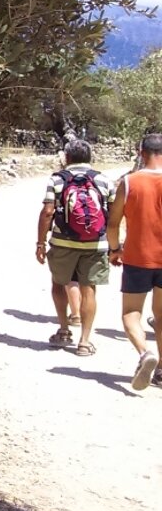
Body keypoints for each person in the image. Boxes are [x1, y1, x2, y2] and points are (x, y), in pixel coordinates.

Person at [35, 140, 112, 355]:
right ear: (90, 157)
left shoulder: (57, 179)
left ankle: (63, 330)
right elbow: (113, 214)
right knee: (89, 289)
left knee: (59, 284)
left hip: (62, 242)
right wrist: (114, 245)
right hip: (95, 244)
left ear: (67, 157)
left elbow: (48, 212)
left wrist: (40, 243)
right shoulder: (103, 180)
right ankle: (85, 342)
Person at [107, 133, 162, 390]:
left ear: (142, 154)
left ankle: (145, 353)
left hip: (138, 257)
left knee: (131, 314)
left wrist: (115, 249)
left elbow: (113, 223)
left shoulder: (129, 182)